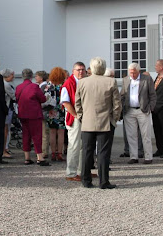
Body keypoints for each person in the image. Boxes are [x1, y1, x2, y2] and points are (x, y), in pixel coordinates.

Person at [75, 57, 121, 189]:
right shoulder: (111, 82)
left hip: (87, 122)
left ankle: (86, 180)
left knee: (86, 152)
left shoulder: (82, 82)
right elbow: (117, 104)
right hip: (106, 122)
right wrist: (114, 119)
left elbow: (77, 102)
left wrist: (81, 117)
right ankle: (103, 181)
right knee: (103, 153)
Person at [121, 63, 156, 164]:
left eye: (134, 73)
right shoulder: (126, 80)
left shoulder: (147, 79)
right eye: (130, 73)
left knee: (146, 134)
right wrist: (123, 107)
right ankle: (133, 156)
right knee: (131, 135)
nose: (132, 75)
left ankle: (148, 156)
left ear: (138, 71)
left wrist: (150, 107)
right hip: (129, 110)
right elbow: (122, 94)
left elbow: (153, 95)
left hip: (143, 110)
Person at [16, 68, 50, 166]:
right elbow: (42, 99)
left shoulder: (18, 87)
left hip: (22, 114)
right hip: (34, 114)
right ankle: (40, 157)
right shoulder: (34, 87)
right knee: (36, 136)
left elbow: (17, 98)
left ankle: (27, 157)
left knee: (26, 135)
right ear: (31, 76)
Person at [62, 62, 88, 182]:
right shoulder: (68, 83)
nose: (81, 72)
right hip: (75, 117)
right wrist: (76, 116)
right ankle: (71, 172)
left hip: (85, 117)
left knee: (83, 145)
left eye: (82, 70)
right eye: (78, 70)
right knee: (74, 145)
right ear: (73, 71)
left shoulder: (85, 81)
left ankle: (82, 171)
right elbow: (65, 102)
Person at [46, 67, 67, 161]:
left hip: (51, 110)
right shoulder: (64, 84)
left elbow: (45, 96)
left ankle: (53, 153)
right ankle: (60, 153)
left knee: (52, 132)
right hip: (62, 109)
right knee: (61, 132)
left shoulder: (49, 84)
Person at [35, 70, 51, 159]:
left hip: (43, 111)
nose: (35, 78)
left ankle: (44, 151)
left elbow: (46, 99)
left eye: (37, 76)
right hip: (42, 111)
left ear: (41, 78)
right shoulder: (41, 86)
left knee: (44, 132)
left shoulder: (44, 86)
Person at [1, 68, 16, 158]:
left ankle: (5, 148)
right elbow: (13, 96)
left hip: (7, 108)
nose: (13, 76)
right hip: (7, 109)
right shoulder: (6, 84)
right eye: (11, 75)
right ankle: (4, 148)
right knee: (6, 129)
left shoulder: (6, 83)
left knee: (6, 129)